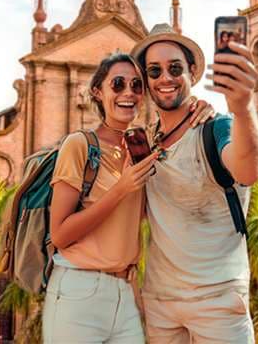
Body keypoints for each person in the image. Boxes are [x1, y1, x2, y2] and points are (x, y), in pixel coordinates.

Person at [43, 52, 214, 344]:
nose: (128, 93)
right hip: (79, 291)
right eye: (118, 84)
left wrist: (198, 112)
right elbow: (59, 235)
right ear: (98, 92)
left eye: (136, 86)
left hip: (126, 291)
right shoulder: (79, 145)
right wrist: (121, 189)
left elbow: (152, 211)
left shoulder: (141, 147)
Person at [131, 24, 258, 344]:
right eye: (154, 71)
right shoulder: (146, 143)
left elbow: (248, 170)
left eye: (175, 68)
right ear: (147, 81)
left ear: (191, 71)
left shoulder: (217, 127)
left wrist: (243, 106)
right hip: (160, 304)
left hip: (217, 302)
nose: (165, 77)